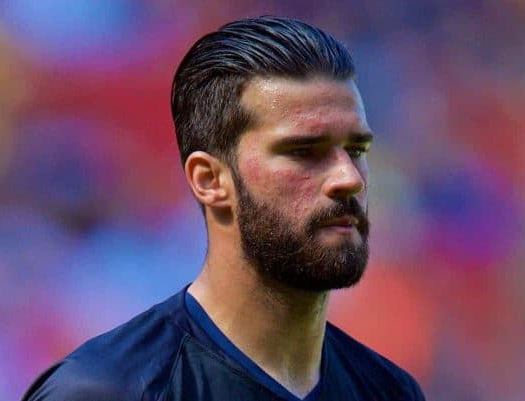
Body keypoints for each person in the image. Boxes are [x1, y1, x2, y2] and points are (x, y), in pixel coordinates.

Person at [22, 16, 426, 401]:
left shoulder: (389, 390)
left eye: (356, 150)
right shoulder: (109, 390)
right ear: (209, 180)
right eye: (304, 152)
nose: (348, 178)